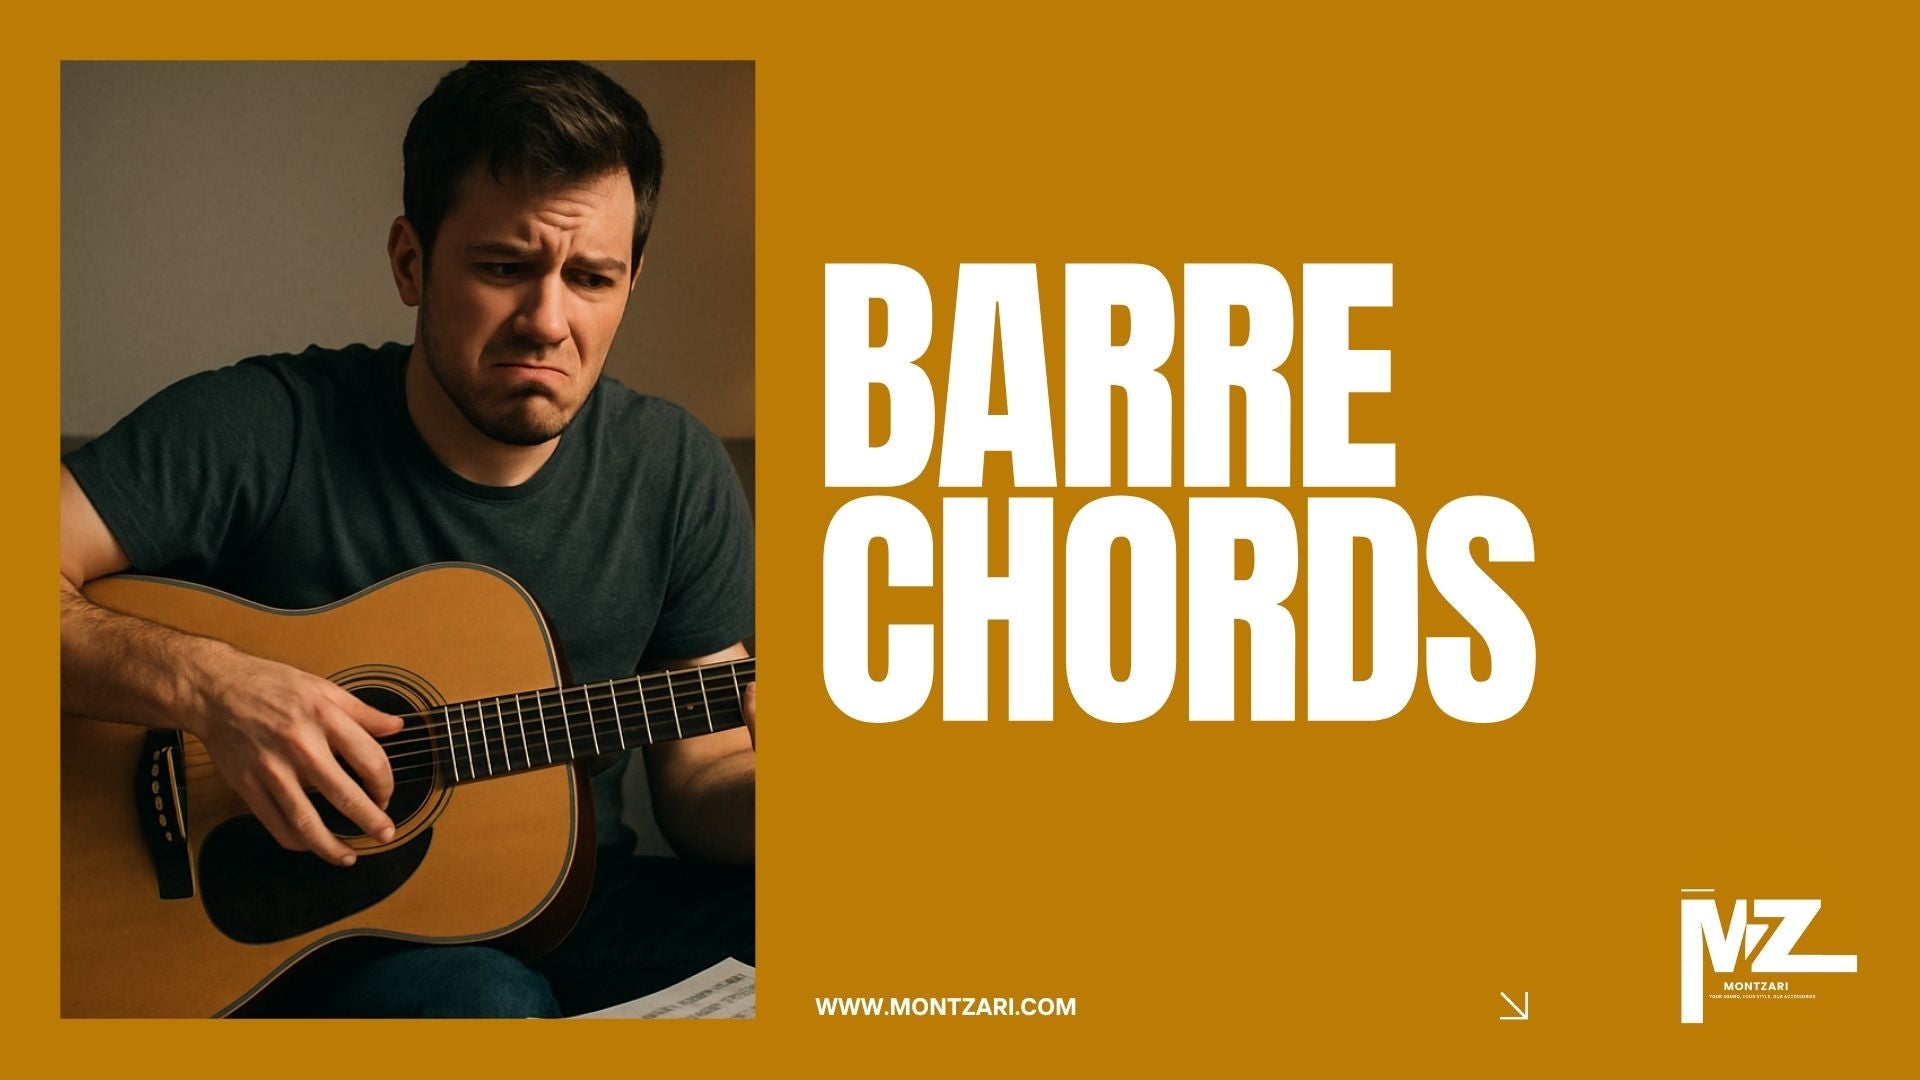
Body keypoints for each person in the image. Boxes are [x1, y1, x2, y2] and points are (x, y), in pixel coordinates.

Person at [58, 61, 755, 1017]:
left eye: (590, 278)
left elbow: (709, 769)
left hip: (578, 903)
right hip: (298, 928)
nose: (549, 321)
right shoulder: (261, 426)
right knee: (483, 1005)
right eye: (504, 268)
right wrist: (213, 688)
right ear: (411, 261)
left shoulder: (673, 468)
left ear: (633, 277)